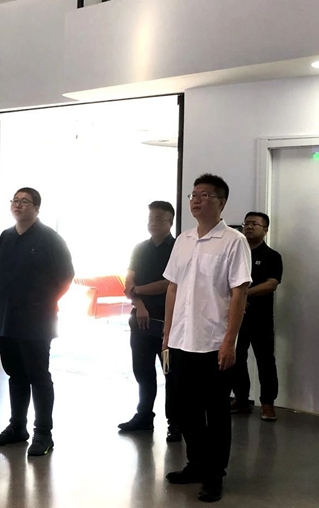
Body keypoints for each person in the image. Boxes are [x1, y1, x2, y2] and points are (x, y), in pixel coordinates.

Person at [162, 174, 252, 502]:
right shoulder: (183, 240)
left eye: (205, 195)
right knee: (185, 409)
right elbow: (173, 288)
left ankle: (215, 474)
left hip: (214, 342)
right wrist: (167, 334)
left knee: (215, 412)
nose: (196, 200)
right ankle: (196, 464)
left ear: (221, 202)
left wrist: (230, 341)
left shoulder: (233, 241)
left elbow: (239, 292)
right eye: (193, 195)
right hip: (181, 340)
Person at [0, 187, 74, 456]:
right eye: (15, 200)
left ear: (37, 208)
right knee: (15, 374)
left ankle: (43, 434)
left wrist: (45, 302)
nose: (18, 205)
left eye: (25, 202)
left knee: (38, 376)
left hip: (37, 320)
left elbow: (66, 276)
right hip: (6, 318)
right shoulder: (5, 237)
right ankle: (17, 427)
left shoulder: (50, 239)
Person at [119, 201, 180, 442]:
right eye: (151, 218)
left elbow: (170, 283)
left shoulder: (177, 248)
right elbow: (128, 283)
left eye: (159, 219)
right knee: (142, 371)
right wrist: (140, 304)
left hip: (169, 322)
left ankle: (175, 422)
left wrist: (138, 290)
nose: (153, 223)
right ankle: (144, 416)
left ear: (170, 222)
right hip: (141, 320)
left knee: (172, 375)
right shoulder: (140, 248)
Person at [231, 212, 283, 421]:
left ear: (265, 229)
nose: (249, 227)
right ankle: (241, 399)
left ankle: (268, 404)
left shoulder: (272, 256)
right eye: (246, 223)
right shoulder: (235, 253)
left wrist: (243, 294)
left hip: (261, 318)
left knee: (265, 361)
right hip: (236, 317)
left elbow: (272, 284)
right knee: (236, 359)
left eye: (254, 224)